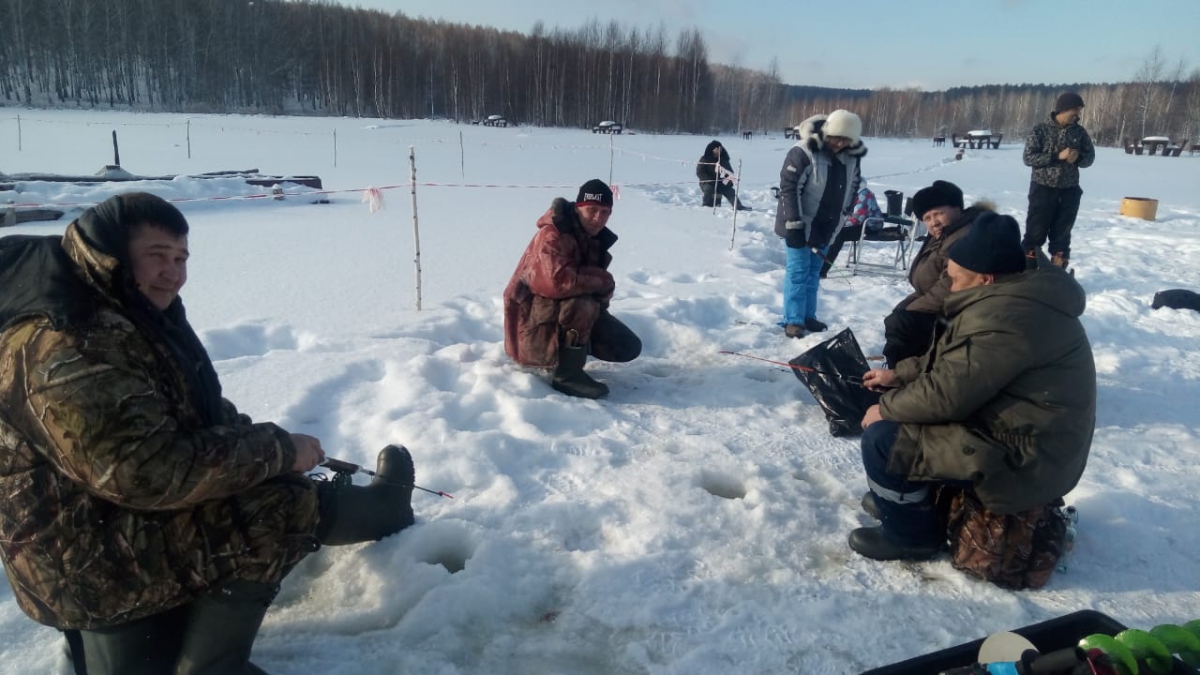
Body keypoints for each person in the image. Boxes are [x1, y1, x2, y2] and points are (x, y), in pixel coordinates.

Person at [0, 192, 416, 674]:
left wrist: (260, 443)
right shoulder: (72, 340)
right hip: (89, 562)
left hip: (91, 530)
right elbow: (145, 474)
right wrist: (280, 451)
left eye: (181, 259)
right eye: (156, 256)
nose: (173, 273)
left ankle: (380, 510)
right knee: (274, 508)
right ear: (111, 255)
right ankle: (214, 665)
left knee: (254, 475)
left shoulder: (113, 308)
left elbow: (186, 404)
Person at [849, 212, 1096, 561]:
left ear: (985, 278)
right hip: (1019, 433)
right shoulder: (1013, 297)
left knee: (884, 440)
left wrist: (885, 409)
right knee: (906, 415)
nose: (950, 287)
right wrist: (899, 375)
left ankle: (910, 536)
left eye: (957, 280)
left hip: (1027, 458)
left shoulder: (1005, 318)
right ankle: (905, 501)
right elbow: (956, 364)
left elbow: (945, 397)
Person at [503, 179, 642, 399]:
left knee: (628, 346)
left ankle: (572, 349)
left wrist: (600, 295)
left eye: (605, 212)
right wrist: (603, 280)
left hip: (555, 316)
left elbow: (593, 291)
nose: (598, 218)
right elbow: (557, 283)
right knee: (582, 303)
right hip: (530, 328)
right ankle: (566, 375)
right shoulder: (553, 234)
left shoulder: (590, 238)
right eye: (592, 210)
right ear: (578, 209)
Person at [774, 109, 867, 338]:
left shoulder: (851, 157)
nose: (840, 143)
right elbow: (789, 188)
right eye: (837, 137)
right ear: (828, 133)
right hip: (799, 223)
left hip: (827, 226)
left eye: (846, 139)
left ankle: (807, 316)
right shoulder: (803, 152)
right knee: (798, 272)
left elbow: (854, 186)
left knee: (814, 273)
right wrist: (793, 224)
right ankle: (793, 320)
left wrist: (845, 212)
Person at [881, 180, 992, 367]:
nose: (934, 222)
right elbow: (928, 281)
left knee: (904, 322)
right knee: (899, 318)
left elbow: (952, 285)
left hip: (959, 308)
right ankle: (901, 372)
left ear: (957, 209)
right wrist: (905, 307)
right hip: (940, 303)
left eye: (939, 213)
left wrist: (911, 310)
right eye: (927, 218)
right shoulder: (945, 234)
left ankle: (901, 380)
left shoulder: (965, 236)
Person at [1021, 91, 1095, 269]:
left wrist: (1077, 158)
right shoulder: (1040, 130)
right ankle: (1027, 274)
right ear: (1064, 109)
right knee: (1035, 235)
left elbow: (1090, 159)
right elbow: (1028, 158)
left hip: (1069, 190)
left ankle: (1057, 277)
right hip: (1042, 189)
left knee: (1062, 237)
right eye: (1075, 110)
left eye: (1079, 111)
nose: (1077, 115)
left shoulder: (1080, 132)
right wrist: (1056, 156)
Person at [820, 186, 884, 278]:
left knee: (838, 234)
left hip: (870, 227)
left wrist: (838, 224)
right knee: (830, 230)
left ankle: (822, 271)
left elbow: (857, 219)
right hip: (859, 224)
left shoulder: (864, 195)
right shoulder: (851, 193)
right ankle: (818, 264)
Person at [696, 140, 751, 211]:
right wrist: (710, 180)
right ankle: (706, 207)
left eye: (720, 149)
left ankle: (738, 206)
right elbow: (700, 172)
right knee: (709, 189)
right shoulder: (704, 159)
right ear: (712, 150)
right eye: (717, 149)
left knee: (730, 191)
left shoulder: (723, 160)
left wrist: (728, 181)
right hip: (707, 182)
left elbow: (730, 172)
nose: (719, 151)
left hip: (721, 182)